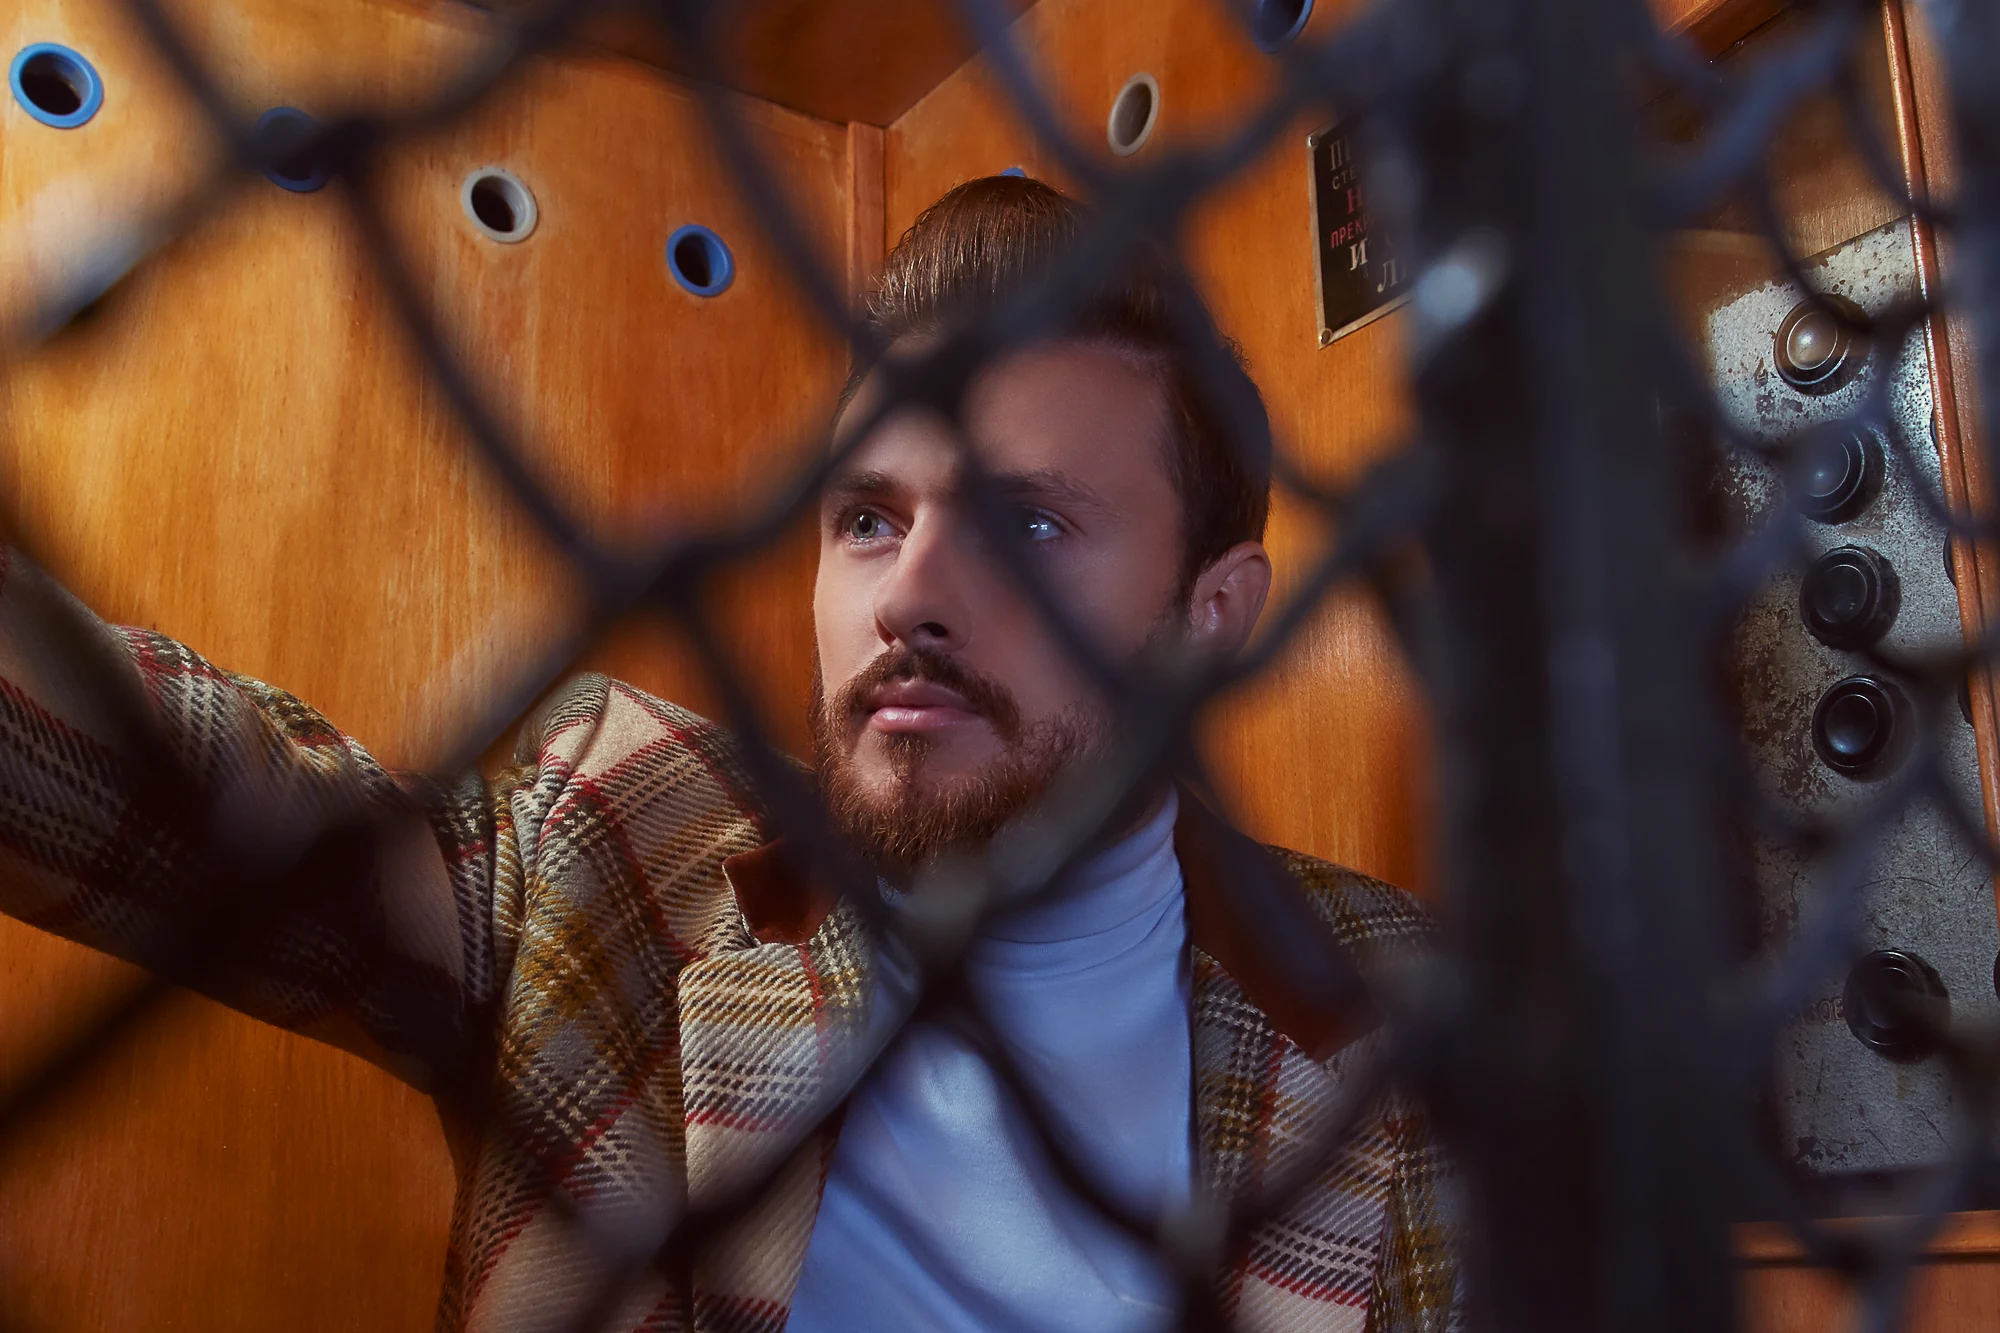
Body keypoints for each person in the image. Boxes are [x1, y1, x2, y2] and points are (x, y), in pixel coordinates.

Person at [0, 176, 1458, 1332]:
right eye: (868, 519)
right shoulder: (613, 850)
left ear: (1210, 621)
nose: (910, 594)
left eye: (1027, 523)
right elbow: (162, 785)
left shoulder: (1417, 1018)